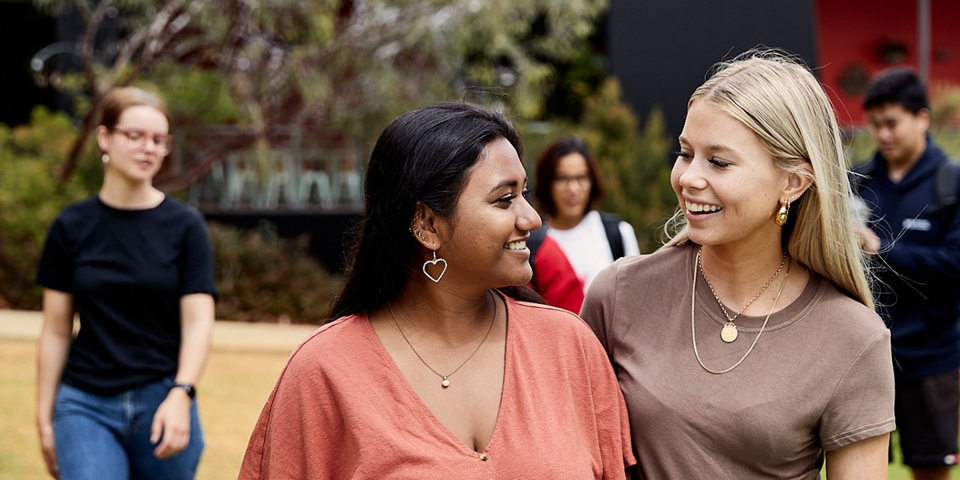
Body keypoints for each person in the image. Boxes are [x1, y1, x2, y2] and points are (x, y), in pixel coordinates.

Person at [239, 102, 635, 479]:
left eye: (525, 195)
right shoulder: (322, 373)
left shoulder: (570, 347)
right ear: (427, 224)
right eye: (504, 200)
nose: (531, 219)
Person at [580, 50, 896, 478]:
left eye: (719, 161)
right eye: (685, 152)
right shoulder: (619, 295)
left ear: (793, 183)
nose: (689, 177)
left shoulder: (853, 338)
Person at [36, 87, 218, 479]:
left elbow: (198, 322)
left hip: (163, 398)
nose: (148, 148)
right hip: (86, 403)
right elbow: (55, 330)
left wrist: (182, 394)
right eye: (135, 136)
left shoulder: (186, 228)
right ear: (105, 137)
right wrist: (44, 416)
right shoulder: (70, 227)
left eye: (159, 140)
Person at [852, 68, 960, 480]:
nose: (882, 134)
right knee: (857, 468)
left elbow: (954, 264)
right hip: (863, 357)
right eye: (875, 125)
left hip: (930, 359)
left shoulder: (951, 183)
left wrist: (883, 249)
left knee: (928, 472)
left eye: (892, 123)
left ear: (922, 118)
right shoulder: (859, 182)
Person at [530, 136, 640, 312]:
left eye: (581, 178)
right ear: (547, 183)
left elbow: (635, 303)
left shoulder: (618, 233)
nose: (573, 189)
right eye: (562, 179)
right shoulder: (533, 244)